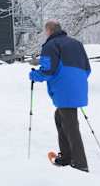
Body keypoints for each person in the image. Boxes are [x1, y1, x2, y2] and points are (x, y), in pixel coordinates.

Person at [29, 19, 91, 172]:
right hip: (78, 86)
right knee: (60, 118)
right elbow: (87, 69)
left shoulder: (50, 45)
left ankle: (80, 163)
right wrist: (75, 81)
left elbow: (48, 70)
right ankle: (66, 157)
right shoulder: (77, 44)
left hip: (64, 89)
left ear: (49, 30)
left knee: (70, 125)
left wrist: (34, 75)